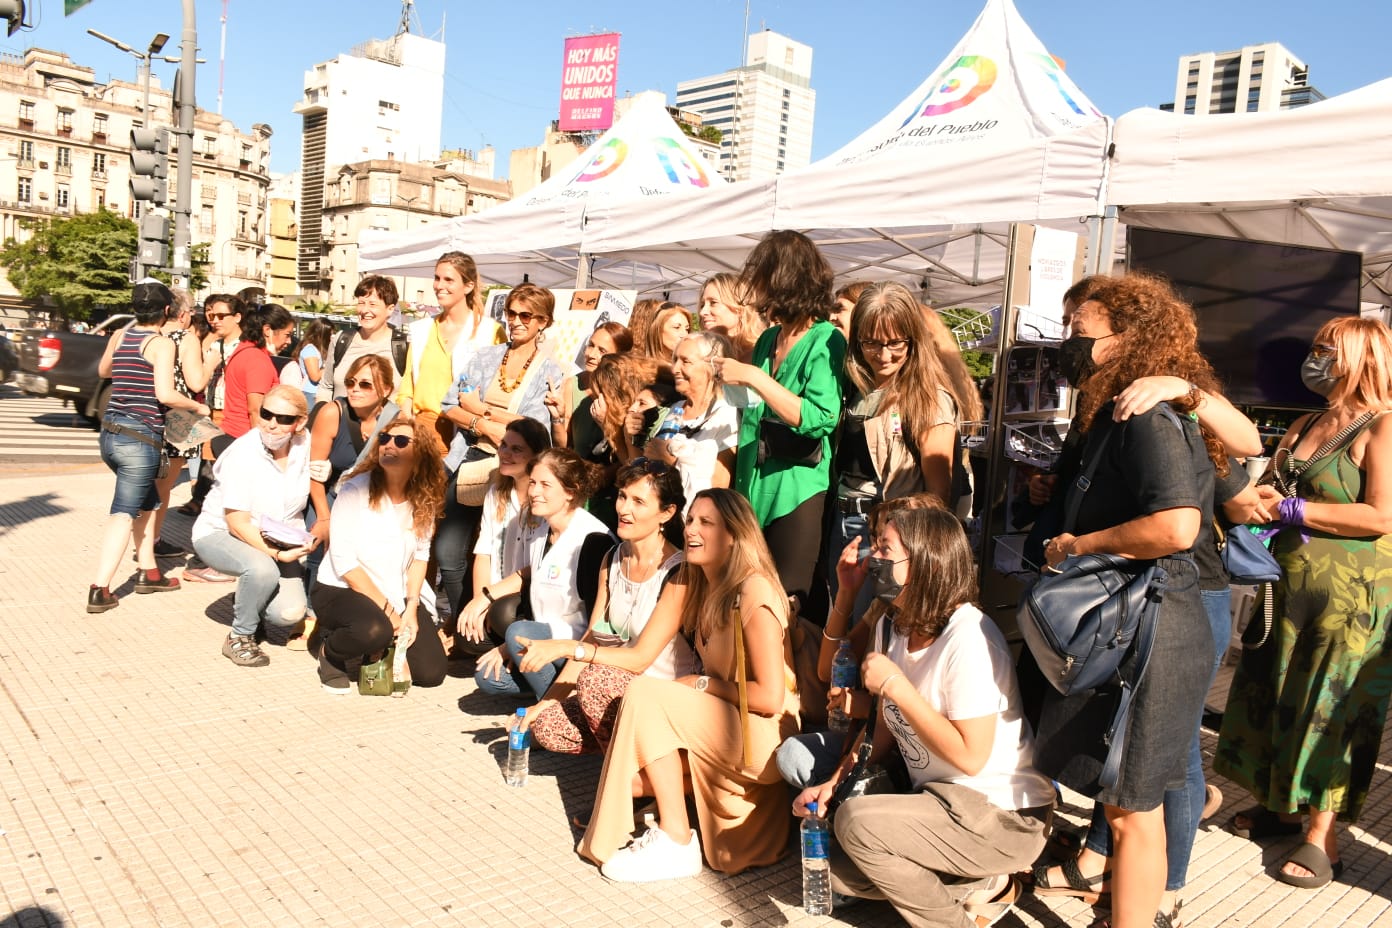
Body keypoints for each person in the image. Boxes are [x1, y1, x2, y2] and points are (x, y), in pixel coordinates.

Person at [1031, 273, 1222, 928]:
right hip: (1138, 623)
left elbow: (1177, 528)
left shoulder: (1149, 418)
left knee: (1134, 808)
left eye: (1079, 326)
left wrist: (1079, 543)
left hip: (1158, 628)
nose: (1070, 339)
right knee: (1120, 803)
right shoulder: (1114, 414)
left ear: (1125, 337)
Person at [793, 506, 1054, 927]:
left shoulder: (969, 636)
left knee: (858, 824)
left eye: (885, 549)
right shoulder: (891, 625)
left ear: (924, 563)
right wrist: (834, 782)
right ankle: (978, 886)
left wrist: (897, 686)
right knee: (840, 870)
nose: (872, 557)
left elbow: (971, 758)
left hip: (1001, 815)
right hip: (938, 802)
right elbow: (882, 730)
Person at [1215, 317, 1392, 890]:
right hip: (1286, 584)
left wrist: (1296, 512)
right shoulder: (1305, 421)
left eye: (1326, 350)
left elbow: (1381, 515)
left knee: (1330, 707)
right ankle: (1280, 805)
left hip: (1350, 597)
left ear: (1362, 358)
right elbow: (1274, 481)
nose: (1315, 359)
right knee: (1278, 691)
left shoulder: (1384, 426)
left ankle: (1322, 835)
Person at [577, 489, 800, 881]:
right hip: (725, 723)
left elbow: (769, 697)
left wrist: (700, 684)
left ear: (734, 535)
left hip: (760, 734)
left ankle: (676, 839)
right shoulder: (704, 586)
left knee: (647, 692)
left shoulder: (754, 590)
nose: (692, 530)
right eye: (691, 520)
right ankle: (671, 815)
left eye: (706, 523)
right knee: (625, 779)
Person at [519, 458, 690, 754]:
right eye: (623, 496)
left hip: (664, 695)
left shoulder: (679, 572)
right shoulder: (611, 559)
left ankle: (640, 776)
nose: (624, 509)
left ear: (667, 513)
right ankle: (628, 752)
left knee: (596, 679)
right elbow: (592, 637)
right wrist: (545, 703)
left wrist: (566, 647)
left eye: (639, 501)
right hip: (617, 691)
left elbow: (639, 659)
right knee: (547, 725)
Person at [717, 230, 846, 617]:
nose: (754, 286)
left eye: (761, 275)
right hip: (751, 486)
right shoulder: (769, 338)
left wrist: (755, 377)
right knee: (748, 603)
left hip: (796, 490)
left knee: (786, 608)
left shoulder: (826, 339)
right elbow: (753, 407)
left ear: (785, 279)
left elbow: (820, 418)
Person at [436, 283, 564, 620]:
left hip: (517, 470)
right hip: (470, 461)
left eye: (526, 315)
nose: (516, 321)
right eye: (510, 313)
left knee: (500, 552)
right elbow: (450, 404)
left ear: (543, 322)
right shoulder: (485, 357)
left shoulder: (551, 370)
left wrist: (482, 409)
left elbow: (538, 425)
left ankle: (489, 622)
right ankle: (462, 620)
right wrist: (482, 426)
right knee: (449, 552)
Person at [833, 282, 960, 605]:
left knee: (868, 631)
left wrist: (893, 535)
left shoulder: (929, 400)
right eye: (871, 343)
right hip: (840, 523)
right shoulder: (851, 388)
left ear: (913, 340)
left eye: (895, 343)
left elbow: (938, 495)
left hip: (888, 535)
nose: (884, 355)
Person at [88, 281, 211, 613]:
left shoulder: (120, 335)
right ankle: (100, 588)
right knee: (123, 513)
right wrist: (199, 408)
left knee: (149, 501)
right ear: (167, 311)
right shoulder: (160, 343)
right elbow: (165, 395)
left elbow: (103, 370)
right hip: (139, 438)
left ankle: (149, 571)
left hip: (111, 433)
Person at [458, 449, 613, 700]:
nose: (533, 492)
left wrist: (516, 641)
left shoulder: (592, 540)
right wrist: (507, 645)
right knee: (489, 676)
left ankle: (553, 707)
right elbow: (533, 577)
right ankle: (559, 693)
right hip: (545, 638)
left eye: (545, 485)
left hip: (578, 646)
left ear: (570, 492)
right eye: (532, 482)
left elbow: (599, 622)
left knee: (520, 632)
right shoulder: (543, 529)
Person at [310, 416, 449, 693]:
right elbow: (345, 564)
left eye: (400, 441)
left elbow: (420, 558)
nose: (389, 445)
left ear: (420, 453)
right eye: (384, 439)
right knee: (376, 631)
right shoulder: (355, 489)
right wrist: (390, 615)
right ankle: (330, 651)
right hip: (341, 589)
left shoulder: (424, 497)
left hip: (395, 592)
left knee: (430, 672)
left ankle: (370, 643)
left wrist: (410, 608)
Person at [191, 385, 317, 668]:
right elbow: (236, 523)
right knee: (261, 569)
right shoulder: (243, 453)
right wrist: (276, 555)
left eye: (284, 418)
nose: (272, 424)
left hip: (278, 537)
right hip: (221, 533)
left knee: (289, 613)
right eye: (266, 414)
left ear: (300, 422)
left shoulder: (305, 444)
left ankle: (252, 598)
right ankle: (240, 636)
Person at [457, 418, 551, 656]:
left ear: (536, 456)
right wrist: (480, 601)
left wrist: (489, 597)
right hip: (499, 591)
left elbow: (539, 565)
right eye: (503, 446)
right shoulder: (496, 492)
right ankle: (508, 649)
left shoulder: (546, 497)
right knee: (468, 636)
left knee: (503, 614)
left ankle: (514, 653)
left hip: (534, 591)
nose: (505, 454)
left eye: (516, 449)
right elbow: (484, 552)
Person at [397, 251, 504, 448]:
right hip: (421, 432)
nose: (439, 286)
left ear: (468, 286)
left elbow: (497, 391)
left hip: (466, 435)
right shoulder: (421, 329)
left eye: (448, 280)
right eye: (437, 278)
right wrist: (406, 420)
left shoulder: (490, 331)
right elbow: (407, 387)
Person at [642, 331, 739, 511]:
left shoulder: (726, 416)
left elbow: (717, 488)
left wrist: (669, 458)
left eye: (685, 361)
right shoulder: (674, 409)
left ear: (712, 367)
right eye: (675, 360)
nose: (674, 369)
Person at [149, 287, 210, 558]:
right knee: (164, 487)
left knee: (151, 482)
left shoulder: (151, 334)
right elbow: (196, 381)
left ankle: (146, 537)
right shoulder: (186, 338)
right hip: (182, 415)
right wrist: (211, 363)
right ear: (184, 314)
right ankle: (153, 541)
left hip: (150, 412)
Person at [179, 293, 245, 520]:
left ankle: (219, 509)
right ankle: (202, 503)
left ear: (237, 317)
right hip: (211, 407)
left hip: (234, 410)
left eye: (220, 315)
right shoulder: (213, 343)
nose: (214, 320)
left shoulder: (245, 347)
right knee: (209, 458)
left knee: (228, 465)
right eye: (211, 315)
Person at [318, 276, 408, 403]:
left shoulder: (403, 347)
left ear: (390, 309)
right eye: (361, 303)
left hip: (385, 422)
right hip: (339, 421)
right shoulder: (341, 340)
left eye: (372, 304)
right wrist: (322, 413)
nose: (365, 310)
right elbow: (326, 387)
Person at [549, 321, 632, 451]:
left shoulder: (629, 393)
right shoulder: (573, 384)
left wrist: (607, 426)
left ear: (619, 357)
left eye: (602, 350)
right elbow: (563, 446)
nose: (591, 355)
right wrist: (557, 418)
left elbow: (630, 457)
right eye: (591, 345)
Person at [220, 303, 296, 439]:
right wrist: (259, 447)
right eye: (287, 334)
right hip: (242, 437)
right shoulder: (258, 360)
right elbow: (255, 410)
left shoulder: (244, 349)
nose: (289, 341)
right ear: (267, 330)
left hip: (231, 434)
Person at [697, 272, 764, 363]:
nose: (702, 312)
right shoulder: (702, 353)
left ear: (740, 308)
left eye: (713, 303)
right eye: (702, 305)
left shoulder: (763, 354)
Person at [293, 318, 333, 408]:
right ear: (323, 335)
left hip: (318, 392)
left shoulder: (318, 350)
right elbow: (315, 376)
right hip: (310, 393)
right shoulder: (310, 350)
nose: (331, 337)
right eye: (330, 334)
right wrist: (329, 364)